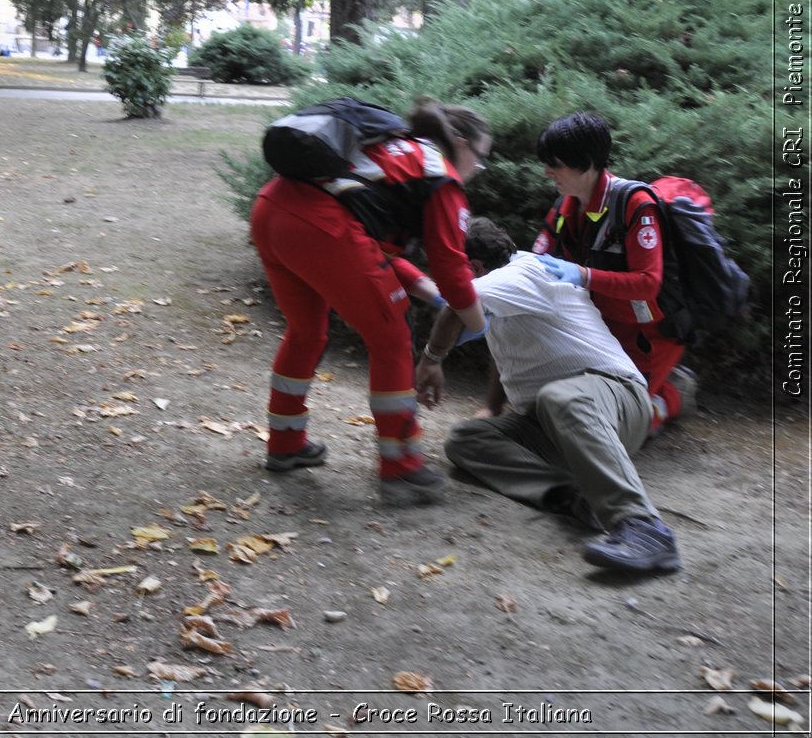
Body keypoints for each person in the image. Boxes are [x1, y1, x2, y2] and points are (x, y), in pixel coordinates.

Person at [250, 97, 492, 506]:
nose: (479, 169)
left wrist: (428, 291)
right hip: (320, 228)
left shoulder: (396, 147)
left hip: (272, 211)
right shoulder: (442, 176)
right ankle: (401, 467)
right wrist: (480, 324)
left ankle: (285, 441)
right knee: (393, 338)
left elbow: (379, 252)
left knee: (307, 332)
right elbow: (454, 272)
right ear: (463, 144)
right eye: (482, 158)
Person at [420, 218, 681, 574]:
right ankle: (573, 496)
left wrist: (431, 359)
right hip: (558, 422)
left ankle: (645, 529)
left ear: (475, 266)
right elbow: (506, 350)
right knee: (466, 439)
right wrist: (494, 407)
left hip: (616, 399)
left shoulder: (523, 274)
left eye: (451, 269)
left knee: (561, 397)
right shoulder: (504, 290)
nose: (445, 277)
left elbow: (454, 304)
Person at [530, 112, 693, 435]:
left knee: (619, 428)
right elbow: (537, 259)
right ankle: (654, 389)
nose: (547, 172)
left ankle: (673, 393)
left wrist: (583, 275)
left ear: (587, 163)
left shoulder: (635, 205)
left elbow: (648, 284)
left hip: (650, 337)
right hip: (603, 330)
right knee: (566, 418)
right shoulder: (566, 205)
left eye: (556, 164)